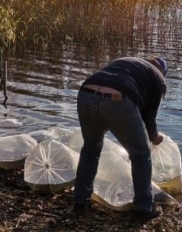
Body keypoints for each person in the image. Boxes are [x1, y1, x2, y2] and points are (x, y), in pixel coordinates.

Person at [72, 56, 168, 220]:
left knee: (91, 149)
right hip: (118, 98)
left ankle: (80, 202)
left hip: (86, 92)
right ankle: (144, 208)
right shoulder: (158, 79)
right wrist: (155, 137)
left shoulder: (127, 62)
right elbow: (148, 118)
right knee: (140, 155)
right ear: (163, 72)